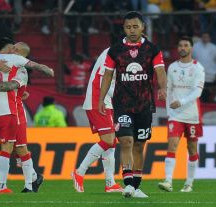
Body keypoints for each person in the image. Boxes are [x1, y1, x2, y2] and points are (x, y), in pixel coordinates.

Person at [0, 39, 53, 194]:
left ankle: (29, 184)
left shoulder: (21, 69)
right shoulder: (3, 61)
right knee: (15, 149)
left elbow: (13, 85)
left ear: (20, 53)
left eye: (16, 48)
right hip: (7, 109)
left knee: (20, 148)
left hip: (15, 109)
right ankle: (31, 178)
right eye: (12, 46)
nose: (13, 49)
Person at [98, 11, 167, 198]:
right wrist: (100, 99)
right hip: (122, 103)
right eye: (128, 27)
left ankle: (136, 186)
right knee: (126, 141)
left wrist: (163, 88)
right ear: (124, 28)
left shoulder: (153, 49)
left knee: (139, 145)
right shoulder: (115, 50)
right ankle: (127, 183)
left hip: (144, 104)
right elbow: (107, 76)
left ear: (143, 27)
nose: (132, 30)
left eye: (135, 26)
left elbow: (160, 71)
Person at [71, 48, 123, 193]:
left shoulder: (118, 56)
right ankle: (79, 172)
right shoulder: (112, 53)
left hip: (106, 102)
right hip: (98, 101)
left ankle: (110, 183)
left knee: (111, 143)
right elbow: (103, 82)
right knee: (107, 140)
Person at [158, 36, 205, 193]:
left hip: (192, 115)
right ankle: (168, 181)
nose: (183, 48)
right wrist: (169, 111)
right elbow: (169, 90)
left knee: (192, 149)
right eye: (180, 45)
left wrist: (182, 101)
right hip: (175, 115)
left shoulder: (198, 68)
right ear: (177, 48)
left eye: (186, 45)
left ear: (191, 48)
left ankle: (189, 183)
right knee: (172, 145)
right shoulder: (172, 67)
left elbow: (197, 91)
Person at [192, 32, 216, 103]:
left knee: (208, 93)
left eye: (207, 37)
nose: (205, 38)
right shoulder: (195, 47)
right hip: (197, 75)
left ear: (209, 38)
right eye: (204, 37)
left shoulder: (214, 48)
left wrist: (215, 71)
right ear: (201, 38)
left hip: (210, 76)